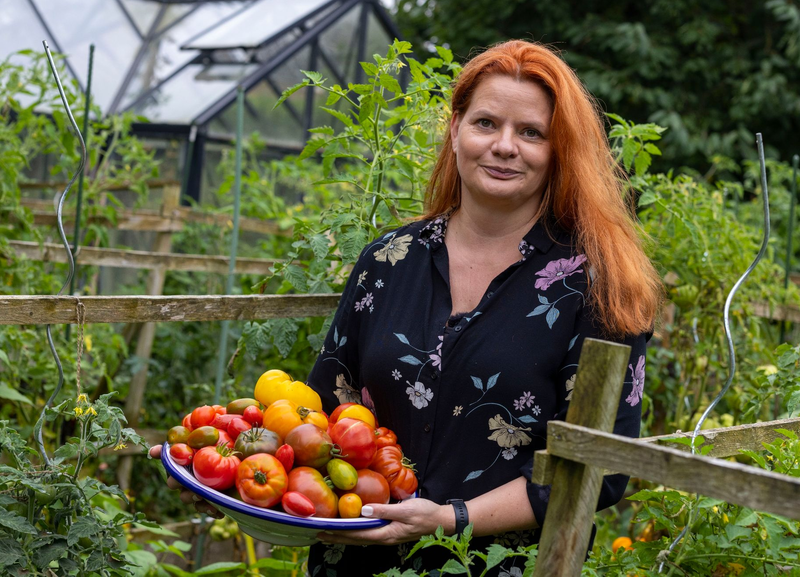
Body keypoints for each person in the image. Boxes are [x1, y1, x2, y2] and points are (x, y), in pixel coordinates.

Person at [154, 39, 662, 576]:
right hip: (355, 561)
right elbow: (322, 420)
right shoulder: (388, 261)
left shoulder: (595, 286)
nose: (505, 146)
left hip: (494, 566)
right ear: (456, 129)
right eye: (486, 123)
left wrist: (451, 518)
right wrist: (218, 472)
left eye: (531, 132)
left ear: (560, 150)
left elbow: (599, 470)